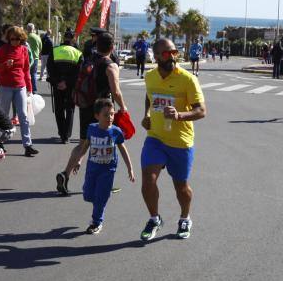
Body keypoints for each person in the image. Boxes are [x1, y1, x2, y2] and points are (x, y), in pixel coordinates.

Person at [139, 37, 206, 241]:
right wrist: (147, 115)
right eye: (167, 53)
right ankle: (154, 218)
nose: (172, 57)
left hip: (180, 141)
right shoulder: (150, 76)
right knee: (148, 180)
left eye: (174, 52)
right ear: (157, 56)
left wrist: (179, 115)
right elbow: (149, 96)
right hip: (156, 138)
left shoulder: (187, 79)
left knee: (181, 187)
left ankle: (185, 217)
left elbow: (201, 111)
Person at [55, 32, 127, 194]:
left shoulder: (89, 59)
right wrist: (123, 107)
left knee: (83, 143)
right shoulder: (110, 65)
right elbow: (115, 91)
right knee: (106, 145)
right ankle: (103, 182)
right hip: (103, 109)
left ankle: (65, 173)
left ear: (97, 45)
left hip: (86, 106)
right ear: (112, 47)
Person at [62, 98, 135, 234]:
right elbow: (85, 146)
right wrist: (79, 160)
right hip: (92, 168)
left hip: (108, 169)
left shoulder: (116, 131)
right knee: (88, 195)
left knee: (100, 198)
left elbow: (123, 149)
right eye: (106, 115)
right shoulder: (92, 128)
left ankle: (96, 222)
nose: (110, 117)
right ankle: (101, 197)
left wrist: (129, 167)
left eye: (112, 114)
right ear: (97, 116)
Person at [0, 26, 38, 157]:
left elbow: (26, 70)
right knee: (4, 115)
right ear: (8, 38)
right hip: (5, 86)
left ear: (22, 38)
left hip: (20, 86)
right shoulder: (2, 50)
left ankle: (28, 145)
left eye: (18, 39)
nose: (15, 41)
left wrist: (29, 87)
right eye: (12, 39)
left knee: (23, 116)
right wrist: (5, 65)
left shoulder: (23, 50)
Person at [47, 29, 82, 143]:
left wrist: (58, 82)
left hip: (57, 85)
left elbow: (50, 68)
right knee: (70, 109)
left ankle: (62, 133)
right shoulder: (78, 53)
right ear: (73, 39)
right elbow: (79, 72)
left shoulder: (55, 50)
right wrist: (67, 82)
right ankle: (67, 135)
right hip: (71, 86)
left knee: (59, 109)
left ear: (64, 38)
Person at [26, 23, 42, 93]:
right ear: (33, 29)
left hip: (28, 58)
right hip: (36, 57)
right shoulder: (37, 37)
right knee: (34, 74)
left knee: (26, 74)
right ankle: (34, 90)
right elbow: (41, 47)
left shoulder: (26, 37)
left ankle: (28, 89)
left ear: (27, 29)